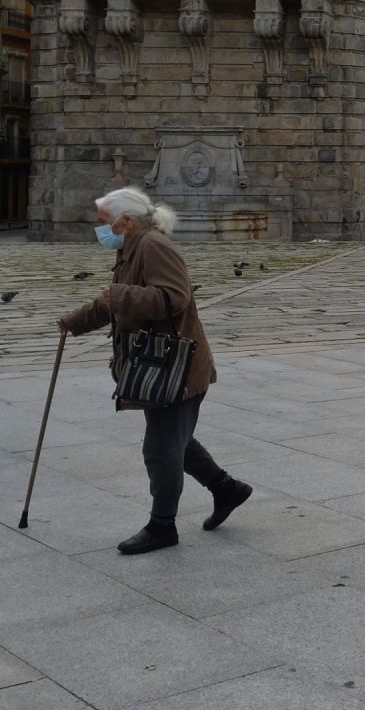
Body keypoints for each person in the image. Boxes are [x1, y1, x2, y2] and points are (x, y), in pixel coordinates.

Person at [57, 187, 252, 554]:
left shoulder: (153, 246)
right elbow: (114, 300)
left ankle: (163, 526)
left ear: (126, 221)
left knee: (161, 449)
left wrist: (118, 296)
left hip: (177, 368)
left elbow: (174, 297)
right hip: (159, 367)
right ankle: (227, 489)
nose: (101, 229)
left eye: (104, 222)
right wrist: (74, 321)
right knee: (176, 441)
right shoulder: (131, 248)